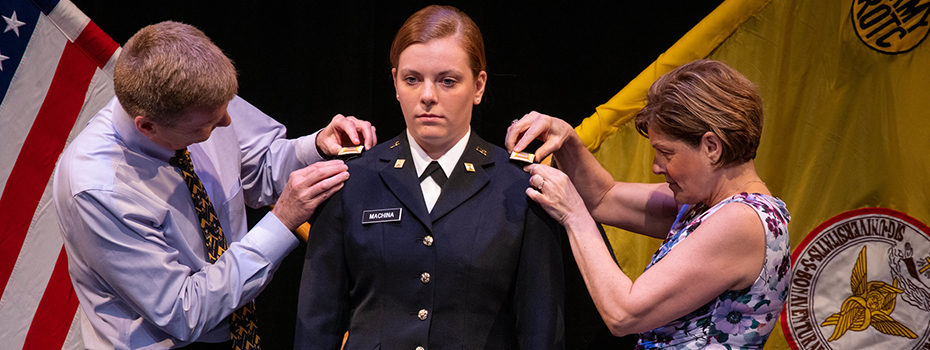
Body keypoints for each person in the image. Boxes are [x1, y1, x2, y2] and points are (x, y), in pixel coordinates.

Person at [52, 21, 376, 349]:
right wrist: (281, 223)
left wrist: (317, 145)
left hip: (237, 331)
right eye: (208, 124)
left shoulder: (201, 101)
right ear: (148, 126)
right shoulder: (98, 189)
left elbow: (261, 166)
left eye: (227, 105)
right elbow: (184, 311)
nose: (227, 123)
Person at [294, 5, 564, 349]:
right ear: (394, 82)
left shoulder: (519, 186)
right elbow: (317, 323)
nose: (427, 96)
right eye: (412, 79)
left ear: (479, 86)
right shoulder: (352, 180)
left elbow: (540, 328)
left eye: (447, 81)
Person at [506, 59, 791, 349]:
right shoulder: (708, 206)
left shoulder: (740, 222)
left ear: (712, 147)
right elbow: (604, 198)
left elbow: (624, 315)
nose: (656, 166)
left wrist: (573, 215)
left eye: (666, 152)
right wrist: (565, 137)